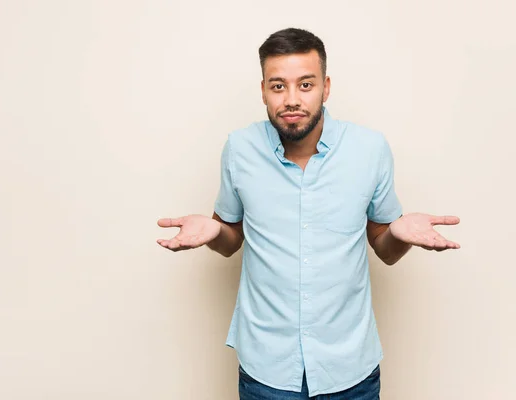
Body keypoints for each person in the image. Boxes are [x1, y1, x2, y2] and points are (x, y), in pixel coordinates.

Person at [156, 27, 460, 400]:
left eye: (305, 84)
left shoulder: (369, 149)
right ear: (264, 90)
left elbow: (384, 248)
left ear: (325, 87)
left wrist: (398, 233)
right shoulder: (239, 149)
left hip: (349, 370)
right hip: (266, 369)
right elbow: (230, 241)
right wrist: (215, 231)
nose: (292, 99)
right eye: (278, 86)